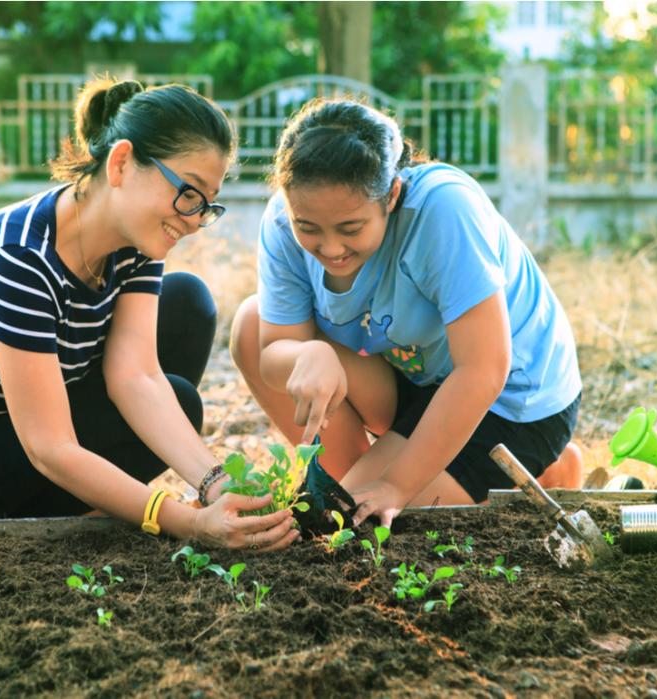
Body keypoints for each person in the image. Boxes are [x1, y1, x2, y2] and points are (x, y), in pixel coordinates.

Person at [0, 78, 296, 552]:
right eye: (187, 193)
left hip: (9, 419)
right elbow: (50, 448)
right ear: (122, 163)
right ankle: (89, 503)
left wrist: (214, 483)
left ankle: (93, 499)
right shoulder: (19, 258)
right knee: (181, 401)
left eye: (205, 205)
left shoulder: (136, 242)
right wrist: (184, 523)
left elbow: (137, 378)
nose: (192, 219)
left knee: (185, 306)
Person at [230, 98, 583, 529]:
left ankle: (546, 470)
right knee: (251, 324)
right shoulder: (283, 224)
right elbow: (269, 353)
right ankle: (362, 478)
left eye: (351, 228)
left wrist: (396, 485)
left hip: (510, 397)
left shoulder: (444, 209)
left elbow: (484, 369)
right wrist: (306, 356)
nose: (331, 248)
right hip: (416, 378)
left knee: (370, 516)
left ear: (392, 195)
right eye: (309, 227)